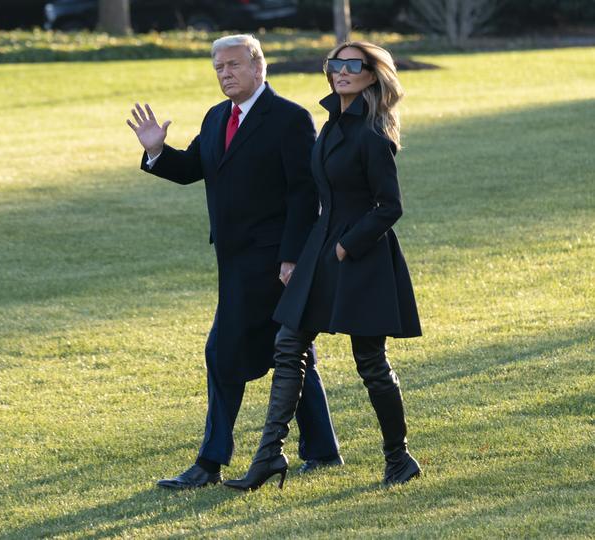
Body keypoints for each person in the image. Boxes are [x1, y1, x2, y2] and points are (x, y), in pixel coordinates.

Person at [127, 34, 343, 490]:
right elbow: (193, 169)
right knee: (291, 352)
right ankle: (323, 451)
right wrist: (156, 152)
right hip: (233, 262)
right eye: (218, 68)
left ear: (259, 66)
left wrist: (290, 260)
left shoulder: (289, 119)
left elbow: (304, 195)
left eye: (234, 65)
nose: (226, 74)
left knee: (223, 352)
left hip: (272, 265)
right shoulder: (216, 116)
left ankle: (210, 461)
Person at [224, 41, 423, 491]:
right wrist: (306, 252)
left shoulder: (371, 134)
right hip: (320, 250)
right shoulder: (332, 125)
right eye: (336, 64)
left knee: (370, 361)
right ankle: (269, 457)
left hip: (359, 257)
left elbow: (389, 207)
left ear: (372, 75)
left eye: (354, 65)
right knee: (288, 343)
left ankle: (399, 457)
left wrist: (346, 247)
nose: (342, 71)